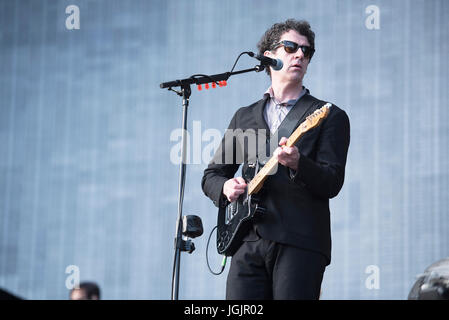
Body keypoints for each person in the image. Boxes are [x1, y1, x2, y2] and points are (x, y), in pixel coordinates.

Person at [201, 19, 350, 300]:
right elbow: (212, 175)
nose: (300, 55)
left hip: (300, 241)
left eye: (307, 52)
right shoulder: (244, 116)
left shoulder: (329, 115)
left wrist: (298, 163)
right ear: (269, 56)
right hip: (245, 241)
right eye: (291, 47)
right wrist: (225, 187)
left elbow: (332, 182)